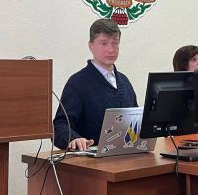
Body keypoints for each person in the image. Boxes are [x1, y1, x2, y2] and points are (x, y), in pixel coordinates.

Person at [53, 19, 138, 150]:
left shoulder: (124, 81)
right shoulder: (77, 83)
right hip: (90, 158)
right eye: (103, 43)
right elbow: (59, 125)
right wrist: (73, 138)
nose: (111, 49)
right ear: (91, 46)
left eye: (115, 43)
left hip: (126, 154)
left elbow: (135, 119)